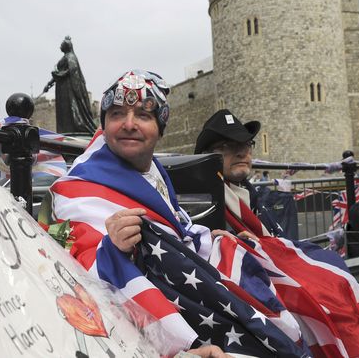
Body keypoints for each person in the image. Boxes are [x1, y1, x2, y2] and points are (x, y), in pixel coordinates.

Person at [50, 70, 314, 357]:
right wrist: (112, 248)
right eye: (116, 114)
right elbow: (76, 263)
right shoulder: (80, 186)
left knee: (312, 291)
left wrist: (213, 238)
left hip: (188, 294)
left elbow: (175, 227)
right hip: (147, 324)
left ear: (160, 128)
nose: (128, 124)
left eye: (143, 115)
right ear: (104, 124)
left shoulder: (153, 170)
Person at [43, 36, 97, 134]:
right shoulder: (66, 57)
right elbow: (62, 72)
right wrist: (49, 83)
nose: (60, 46)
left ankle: (72, 130)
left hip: (68, 89)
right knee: (64, 112)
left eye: (61, 45)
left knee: (69, 111)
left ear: (66, 46)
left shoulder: (70, 57)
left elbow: (72, 71)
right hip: (62, 88)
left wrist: (57, 75)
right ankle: (65, 130)